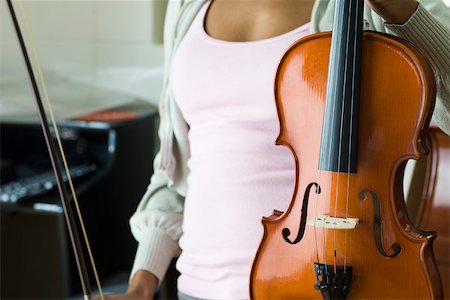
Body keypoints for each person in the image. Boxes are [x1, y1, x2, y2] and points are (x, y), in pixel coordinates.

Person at [102, 0, 450, 299]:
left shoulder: (351, 9)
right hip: (195, 287)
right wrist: (142, 283)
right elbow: (177, 173)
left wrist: (399, 8)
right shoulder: (186, 7)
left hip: (318, 284)